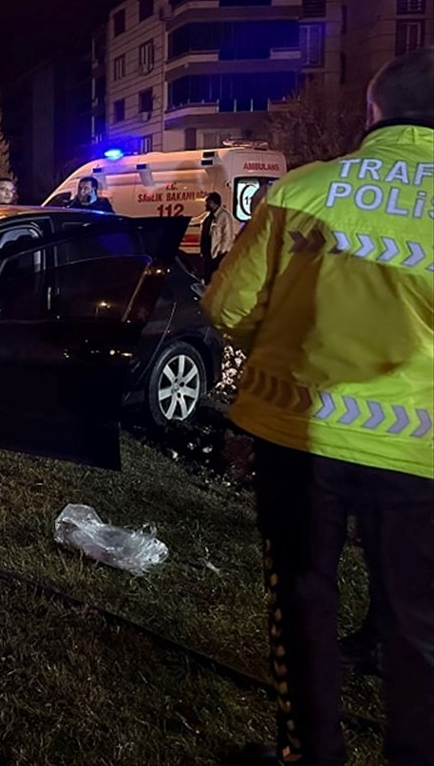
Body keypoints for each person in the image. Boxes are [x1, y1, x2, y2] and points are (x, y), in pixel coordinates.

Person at [203, 48, 434, 766]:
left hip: (299, 433)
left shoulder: (304, 190)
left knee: (303, 603)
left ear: (373, 113)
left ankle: (310, 754)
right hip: (421, 451)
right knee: (418, 620)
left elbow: (228, 309)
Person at [200, 191, 237, 284]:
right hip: (208, 255)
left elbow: (227, 236)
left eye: (207, 202)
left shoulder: (224, 216)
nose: (206, 204)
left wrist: (221, 252)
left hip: (217, 256)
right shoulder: (209, 217)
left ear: (213, 203)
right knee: (207, 278)